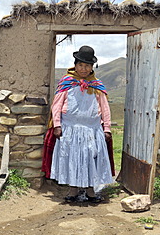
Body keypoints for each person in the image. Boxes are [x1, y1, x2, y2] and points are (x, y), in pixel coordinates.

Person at [42, 45, 115, 203]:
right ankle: (73, 190)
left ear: (91, 67)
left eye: (87, 65)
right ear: (75, 65)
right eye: (81, 65)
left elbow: (105, 108)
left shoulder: (96, 85)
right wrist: (57, 125)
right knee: (71, 158)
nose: (84, 68)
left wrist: (107, 128)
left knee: (91, 159)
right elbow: (57, 105)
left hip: (92, 131)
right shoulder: (67, 82)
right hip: (70, 130)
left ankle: (90, 192)